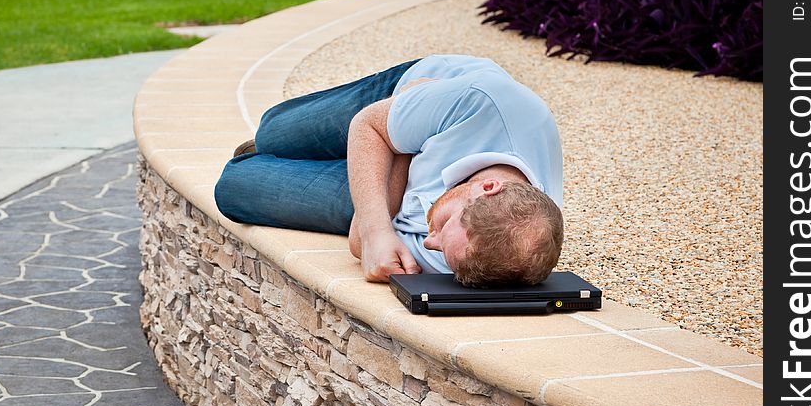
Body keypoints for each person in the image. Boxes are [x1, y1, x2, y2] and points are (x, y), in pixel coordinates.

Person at [215, 54, 564, 286]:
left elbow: (360, 238)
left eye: (439, 249)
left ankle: (359, 157)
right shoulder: (480, 101)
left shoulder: (489, 251)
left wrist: (378, 224)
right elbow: (369, 125)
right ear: (489, 187)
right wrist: (380, 222)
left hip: (400, 147)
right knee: (275, 132)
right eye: (442, 226)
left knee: (233, 188)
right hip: (398, 99)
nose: (430, 242)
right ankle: (286, 148)